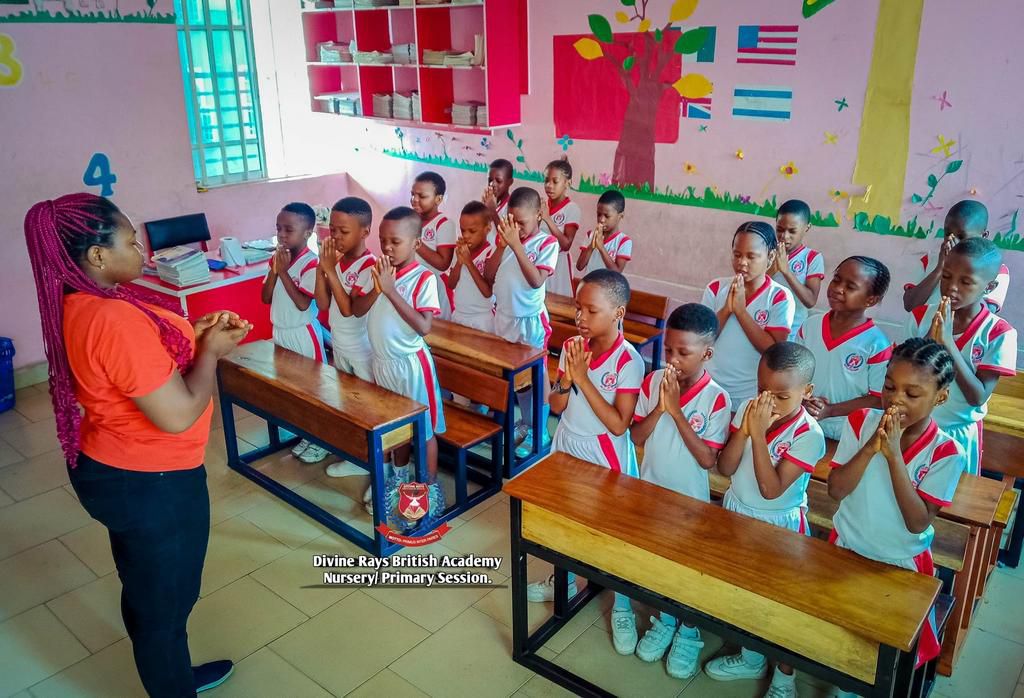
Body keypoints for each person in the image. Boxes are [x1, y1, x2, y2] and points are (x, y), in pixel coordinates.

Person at [23, 193, 250, 697]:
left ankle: (171, 671)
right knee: (166, 603)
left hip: (118, 469)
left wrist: (191, 337)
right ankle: (171, 684)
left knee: (150, 590)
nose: (142, 250)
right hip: (153, 483)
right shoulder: (111, 318)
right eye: (130, 240)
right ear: (98, 255)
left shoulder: (85, 300)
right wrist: (210, 353)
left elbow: (136, 367)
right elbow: (176, 414)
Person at [526, 270, 645, 655]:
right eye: (578, 308)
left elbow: (618, 424)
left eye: (591, 310)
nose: (580, 317)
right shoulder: (575, 344)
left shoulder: (629, 361)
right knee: (568, 517)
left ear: (618, 312)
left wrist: (582, 376)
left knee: (607, 529)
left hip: (603, 454)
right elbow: (557, 404)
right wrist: (565, 379)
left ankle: (622, 605)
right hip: (568, 442)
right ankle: (567, 578)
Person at [828, 337, 965, 668]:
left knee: (885, 653)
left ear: (941, 396)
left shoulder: (945, 453)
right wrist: (871, 447)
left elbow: (917, 522)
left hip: (899, 562)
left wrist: (893, 457)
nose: (895, 399)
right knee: (837, 634)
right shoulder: (861, 421)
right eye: (890, 387)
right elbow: (836, 489)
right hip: (846, 544)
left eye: (912, 393)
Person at [706, 342, 825, 698]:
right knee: (743, 592)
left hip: (778, 525)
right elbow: (724, 468)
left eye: (781, 396)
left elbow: (771, 489)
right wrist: (745, 429)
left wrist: (756, 434)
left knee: (778, 605)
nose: (768, 403)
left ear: (807, 392)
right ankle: (751, 657)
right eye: (762, 391)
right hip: (737, 509)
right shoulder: (748, 410)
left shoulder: (809, 436)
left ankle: (784, 679)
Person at [631, 303, 730, 679]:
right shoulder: (653, 381)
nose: (672, 359)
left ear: (706, 353)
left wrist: (675, 411)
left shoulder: (717, 398)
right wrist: (660, 407)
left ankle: (688, 633)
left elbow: (708, 460)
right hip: (651, 489)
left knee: (687, 570)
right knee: (659, 562)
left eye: (683, 352)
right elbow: (636, 436)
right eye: (668, 349)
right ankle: (665, 620)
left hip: (690, 501)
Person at [358, 206, 446, 514]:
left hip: (411, 366)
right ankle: (399, 482)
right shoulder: (381, 272)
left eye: (395, 241)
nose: (387, 247)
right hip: (383, 363)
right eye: (383, 240)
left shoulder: (424, 279)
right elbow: (358, 308)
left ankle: (429, 491)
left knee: (424, 431)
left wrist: (391, 290)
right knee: (394, 427)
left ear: (416, 244)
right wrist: (380, 284)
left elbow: (423, 327)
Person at [904, 238, 1018, 474]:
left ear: (989, 287)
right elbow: (909, 372)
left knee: (952, 503)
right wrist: (932, 334)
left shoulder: (998, 333)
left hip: (958, 435)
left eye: (966, 282)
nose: (952, 287)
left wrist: (947, 341)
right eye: (946, 276)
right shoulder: (921, 316)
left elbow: (977, 396)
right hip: (915, 425)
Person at [484, 186, 558, 457]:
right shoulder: (507, 240)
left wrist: (515, 245)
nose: (516, 228)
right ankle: (526, 421)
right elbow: (489, 276)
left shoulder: (547, 244)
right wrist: (504, 246)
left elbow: (536, 280)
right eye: (511, 222)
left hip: (530, 322)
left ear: (539, 215)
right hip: (504, 318)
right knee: (519, 379)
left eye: (522, 223)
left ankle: (540, 430)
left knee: (537, 376)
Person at [315, 196, 377, 484]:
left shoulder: (369, 266)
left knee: (368, 408)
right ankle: (357, 456)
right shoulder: (335, 262)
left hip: (363, 350)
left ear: (365, 231)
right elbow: (323, 304)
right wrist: (321, 267)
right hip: (340, 345)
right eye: (332, 230)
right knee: (349, 404)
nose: (335, 236)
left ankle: (376, 464)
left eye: (344, 231)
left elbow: (348, 309)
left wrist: (329, 269)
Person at [261, 202, 327, 464]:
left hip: (303, 333)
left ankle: (321, 439)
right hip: (280, 332)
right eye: (279, 229)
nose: (282, 235)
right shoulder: (277, 259)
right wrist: (275, 270)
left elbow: (303, 303)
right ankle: (306, 433)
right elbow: (265, 297)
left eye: (289, 229)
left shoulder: (311, 264)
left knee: (314, 390)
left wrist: (284, 271)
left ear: (308, 232)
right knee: (293, 387)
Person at [702, 221, 795, 409]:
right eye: (737, 255)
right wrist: (727, 309)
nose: (742, 262)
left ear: (770, 258)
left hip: (749, 395)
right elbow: (701, 338)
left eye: (751, 256)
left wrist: (741, 312)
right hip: (709, 388)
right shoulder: (716, 288)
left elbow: (773, 351)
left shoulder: (778, 297)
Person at [798, 256, 893, 439]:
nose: (837, 289)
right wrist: (802, 399)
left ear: (870, 300)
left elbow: (877, 398)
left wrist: (831, 410)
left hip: (849, 432)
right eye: (836, 279)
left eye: (850, 287)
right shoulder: (810, 326)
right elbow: (794, 373)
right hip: (805, 424)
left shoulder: (876, 344)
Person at [902, 200, 1009, 313]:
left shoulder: (996, 271)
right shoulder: (928, 260)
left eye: (961, 236)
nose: (950, 240)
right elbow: (910, 305)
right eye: (947, 233)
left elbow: (984, 316)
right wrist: (940, 269)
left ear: (983, 235)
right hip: (918, 330)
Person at [770, 199, 824, 340]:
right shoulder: (768, 252)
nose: (784, 236)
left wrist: (786, 271)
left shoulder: (812, 258)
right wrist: (772, 268)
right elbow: (754, 285)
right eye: (779, 229)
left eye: (792, 231)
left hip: (792, 331)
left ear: (807, 227)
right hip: (763, 324)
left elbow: (810, 301)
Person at [411, 171, 457, 319]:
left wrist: (415, 241)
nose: (414, 199)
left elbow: (443, 264)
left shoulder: (443, 224)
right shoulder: (410, 221)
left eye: (422, 196)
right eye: (413, 194)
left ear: (438, 199)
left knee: (437, 331)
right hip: (413, 283)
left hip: (436, 288)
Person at [447, 200, 495, 334]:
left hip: (481, 320)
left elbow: (487, 292)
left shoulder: (490, 254)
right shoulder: (461, 251)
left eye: (472, 231)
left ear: (488, 229)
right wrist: (459, 262)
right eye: (463, 230)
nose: (466, 235)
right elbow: (451, 284)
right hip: (459, 315)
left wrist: (468, 262)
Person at [539, 158, 582, 296]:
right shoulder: (542, 206)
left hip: (559, 266)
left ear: (567, 183)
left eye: (555, 181)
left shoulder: (572, 209)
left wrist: (547, 218)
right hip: (540, 262)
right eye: (546, 180)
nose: (549, 185)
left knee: (559, 305)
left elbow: (566, 244)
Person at [576, 189, 632, 276]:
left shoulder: (624, 241)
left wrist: (601, 248)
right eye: (599, 214)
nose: (601, 220)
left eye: (607, 216)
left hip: (608, 289)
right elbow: (579, 266)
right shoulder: (590, 235)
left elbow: (617, 273)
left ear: (620, 216)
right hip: (589, 286)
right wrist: (591, 246)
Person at [483, 158, 514, 243]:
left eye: (499, 181)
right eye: (490, 180)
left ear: (510, 182)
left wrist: (492, 211)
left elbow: (509, 238)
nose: (492, 184)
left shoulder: (512, 206)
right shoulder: (488, 203)